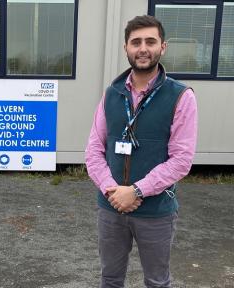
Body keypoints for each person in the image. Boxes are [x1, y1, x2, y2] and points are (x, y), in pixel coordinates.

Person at [85, 15, 197, 288]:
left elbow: (181, 160)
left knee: (157, 282)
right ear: (126, 48)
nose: (143, 48)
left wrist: (135, 191)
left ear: (163, 47)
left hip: (156, 211)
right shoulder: (111, 94)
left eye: (150, 41)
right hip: (111, 209)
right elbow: (93, 150)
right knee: (110, 280)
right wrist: (113, 192)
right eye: (136, 42)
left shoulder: (181, 96)